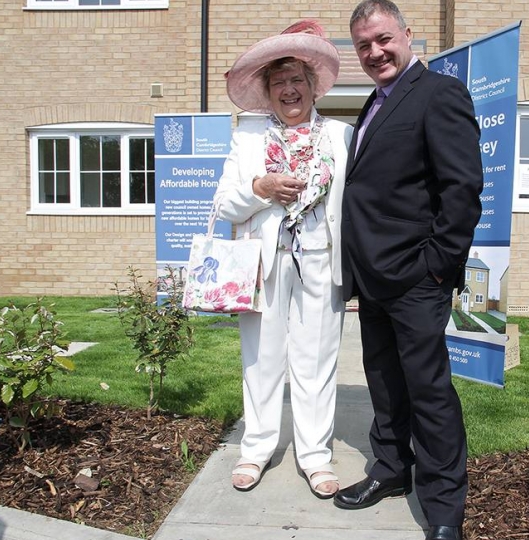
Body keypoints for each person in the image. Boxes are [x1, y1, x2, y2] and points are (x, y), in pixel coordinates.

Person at [333, 2, 483, 539]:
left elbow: (461, 190)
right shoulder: (373, 104)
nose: (374, 52)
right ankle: (392, 470)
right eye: (363, 46)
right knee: (384, 383)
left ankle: (445, 510)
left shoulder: (439, 94)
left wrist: (437, 268)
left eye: (382, 39)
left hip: (417, 280)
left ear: (407, 35)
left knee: (429, 392)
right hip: (372, 280)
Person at [214, 20, 353, 500]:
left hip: (321, 260)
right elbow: (224, 205)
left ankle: (314, 456)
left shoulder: (342, 136)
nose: (289, 90)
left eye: (297, 80)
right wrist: (260, 188)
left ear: (313, 86)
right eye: (279, 83)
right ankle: (255, 448)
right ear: (268, 93)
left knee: (316, 361)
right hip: (264, 262)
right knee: (263, 358)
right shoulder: (248, 140)